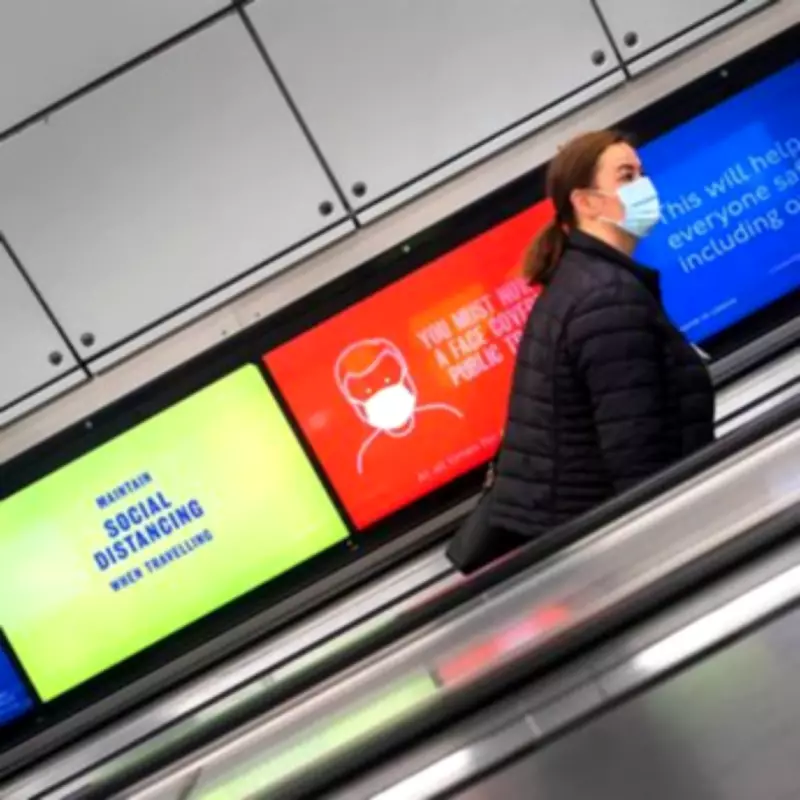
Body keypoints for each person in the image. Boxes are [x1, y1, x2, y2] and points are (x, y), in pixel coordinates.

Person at [489, 130, 716, 543]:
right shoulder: (605, 299)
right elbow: (637, 458)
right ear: (586, 202)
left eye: (642, 174)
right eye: (626, 176)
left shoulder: (584, 282)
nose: (644, 187)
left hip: (579, 535)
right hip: (609, 544)